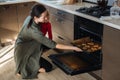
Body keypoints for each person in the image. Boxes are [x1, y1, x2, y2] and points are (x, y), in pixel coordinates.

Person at [14, 3, 82, 79]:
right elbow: (54, 45)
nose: (47, 18)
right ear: (36, 17)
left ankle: (32, 60)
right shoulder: (34, 32)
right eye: (44, 17)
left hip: (30, 45)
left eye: (47, 14)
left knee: (46, 46)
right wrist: (74, 48)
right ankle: (25, 68)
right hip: (24, 51)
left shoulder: (30, 17)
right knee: (48, 68)